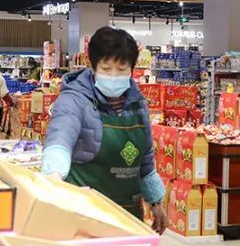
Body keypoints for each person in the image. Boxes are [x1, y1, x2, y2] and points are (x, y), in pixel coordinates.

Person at [42, 27, 168, 233]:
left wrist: (156, 202)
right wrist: (53, 175)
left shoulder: (138, 104)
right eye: (106, 69)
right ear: (93, 67)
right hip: (84, 216)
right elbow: (61, 133)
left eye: (121, 69)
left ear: (131, 69)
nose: (114, 75)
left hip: (127, 216)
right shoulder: (74, 99)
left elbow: (145, 160)